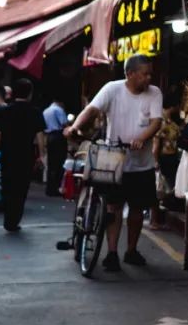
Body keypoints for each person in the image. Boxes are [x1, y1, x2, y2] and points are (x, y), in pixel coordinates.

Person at [64, 54, 163, 272]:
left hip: (141, 162)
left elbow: (157, 122)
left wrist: (142, 138)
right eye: (144, 74)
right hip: (113, 159)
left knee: (137, 209)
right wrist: (75, 127)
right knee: (113, 207)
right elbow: (92, 109)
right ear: (130, 74)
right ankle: (111, 252)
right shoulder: (112, 89)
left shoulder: (154, 93)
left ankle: (131, 250)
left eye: (149, 74)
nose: (148, 78)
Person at [0, 79, 47, 232]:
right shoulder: (35, 112)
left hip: (7, 155)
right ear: (30, 93)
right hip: (25, 155)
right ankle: (14, 220)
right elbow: (39, 135)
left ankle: (8, 218)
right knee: (21, 189)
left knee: (8, 186)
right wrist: (41, 155)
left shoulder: (3, 111)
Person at [43, 95, 69, 197]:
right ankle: (56, 188)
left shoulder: (46, 110)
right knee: (59, 163)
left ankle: (49, 188)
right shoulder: (58, 110)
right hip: (58, 136)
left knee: (51, 163)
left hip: (49, 136)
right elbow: (64, 124)